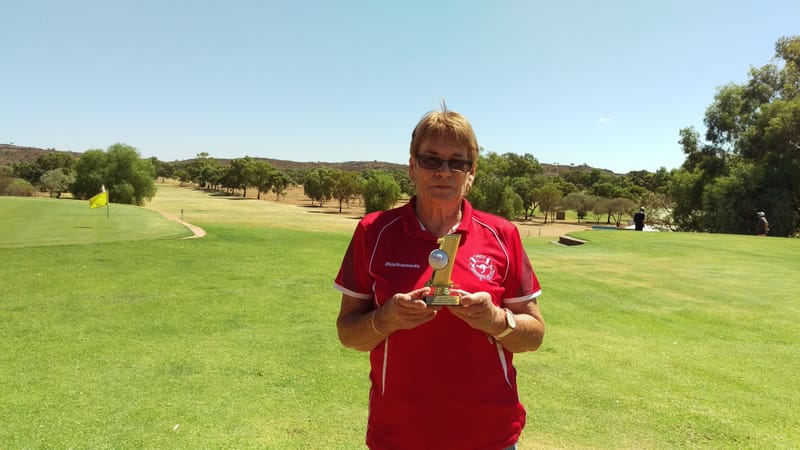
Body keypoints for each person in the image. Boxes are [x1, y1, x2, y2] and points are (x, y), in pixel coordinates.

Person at [334, 105, 545, 450]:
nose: (444, 172)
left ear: (471, 173)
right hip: (399, 437)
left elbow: (533, 335)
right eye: (431, 159)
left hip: (490, 437)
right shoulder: (373, 231)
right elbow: (348, 333)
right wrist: (387, 319)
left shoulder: (502, 234)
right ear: (412, 167)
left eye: (457, 162)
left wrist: (495, 320)